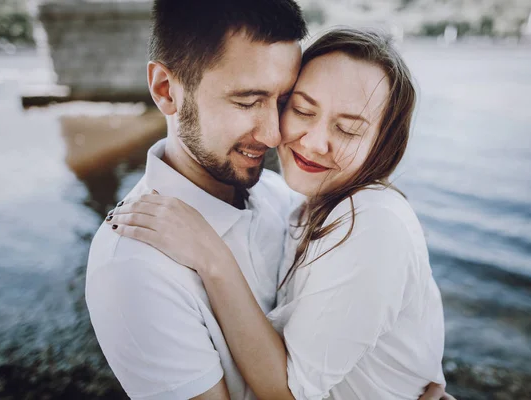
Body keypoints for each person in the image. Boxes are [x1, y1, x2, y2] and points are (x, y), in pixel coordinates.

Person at [105, 27, 451, 400]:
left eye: (348, 130)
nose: (315, 142)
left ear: (383, 145)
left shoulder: (371, 221)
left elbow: (288, 392)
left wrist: (213, 259)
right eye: (301, 109)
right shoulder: (295, 202)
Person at [86, 1, 306, 399]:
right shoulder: (133, 268)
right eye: (246, 101)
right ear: (166, 91)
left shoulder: (276, 192)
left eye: (284, 99)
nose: (274, 135)